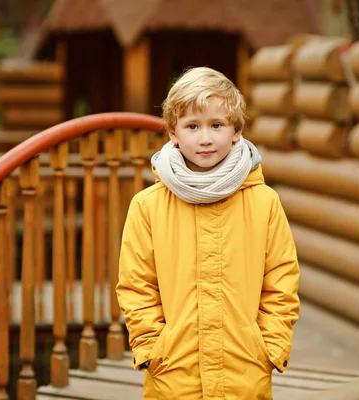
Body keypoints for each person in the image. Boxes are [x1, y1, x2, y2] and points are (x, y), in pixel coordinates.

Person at [116, 66, 300, 400]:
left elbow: (281, 283)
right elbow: (136, 287)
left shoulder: (264, 203)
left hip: (245, 374)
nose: (205, 138)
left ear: (236, 130)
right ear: (173, 132)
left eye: (216, 125)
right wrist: (152, 349)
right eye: (192, 126)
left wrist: (270, 349)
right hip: (173, 375)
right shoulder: (147, 207)